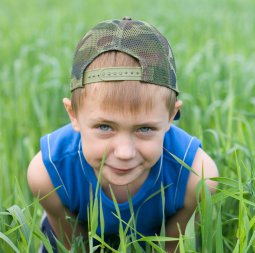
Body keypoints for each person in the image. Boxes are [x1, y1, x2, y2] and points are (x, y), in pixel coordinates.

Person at [27, 16, 218, 252]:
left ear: (171, 116)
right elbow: (74, 247)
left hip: (153, 237)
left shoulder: (195, 178)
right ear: (73, 114)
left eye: (145, 129)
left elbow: (172, 248)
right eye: (105, 127)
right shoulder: (51, 173)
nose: (125, 152)